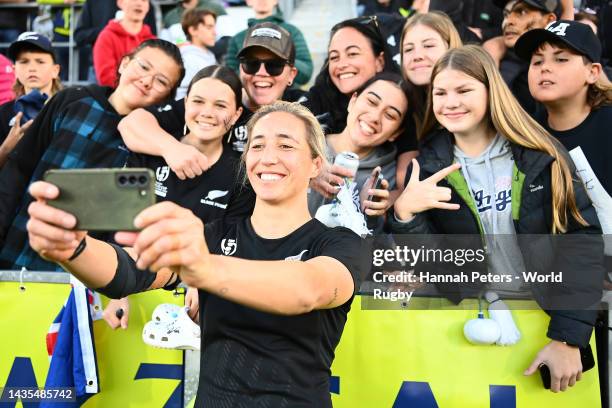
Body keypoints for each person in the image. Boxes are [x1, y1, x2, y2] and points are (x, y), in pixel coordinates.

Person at [26, 101, 367, 407]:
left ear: (315, 164)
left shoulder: (339, 244)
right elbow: (129, 271)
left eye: (285, 145)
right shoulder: (213, 236)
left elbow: (306, 290)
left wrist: (203, 268)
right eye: (257, 145)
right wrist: (73, 249)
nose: (268, 157)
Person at [391, 44, 603, 393]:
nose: (450, 102)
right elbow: (441, 273)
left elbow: (581, 244)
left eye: (463, 90)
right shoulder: (427, 168)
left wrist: (569, 339)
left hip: (546, 324)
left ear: (492, 91)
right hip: (469, 325)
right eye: (440, 92)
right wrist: (405, 215)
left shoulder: (540, 156)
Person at [0, 39, 185, 271]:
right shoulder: (72, 99)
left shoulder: (152, 144)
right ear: (124, 64)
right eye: (144, 67)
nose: (147, 81)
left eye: (161, 81)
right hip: (16, 253)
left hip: (82, 276)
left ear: (167, 96)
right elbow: (17, 172)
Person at [104, 65, 256, 329]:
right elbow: (120, 226)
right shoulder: (149, 153)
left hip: (198, 306)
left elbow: (232, 242)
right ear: (185, 104)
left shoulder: (240, 174)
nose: (207, 113)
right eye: (198, 101)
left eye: (221, 105)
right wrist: (119, 289)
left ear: (236, 114)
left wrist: (200, 279)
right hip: (136, 290)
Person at [118, 22, 299, 180]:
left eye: (274, 65)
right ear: (241, 69)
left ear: (291, 74)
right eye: (251, 63)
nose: (261, 72)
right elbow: (131, 123)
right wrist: (171, 148)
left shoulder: (301, 109)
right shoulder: (211, 102)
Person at [308, 72, 411, 231]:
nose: (375, 117)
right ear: (352, 101)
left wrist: (369, 216)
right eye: (371, 101)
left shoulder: (389, 178)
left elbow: (375, 245)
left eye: (390, 115)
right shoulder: (302, 142)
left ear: (396, 133)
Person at [397, 10, 462, 187]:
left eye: (428, 46)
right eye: (408, 49)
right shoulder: (408, 103)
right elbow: (404, 178)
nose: (417, 55)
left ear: (450, 47)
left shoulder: (476, 93)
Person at [484, 0, 558, 116]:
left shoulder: (566, 65)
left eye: (522, 12)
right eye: (506, 14)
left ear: (549, 20)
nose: (508, 21)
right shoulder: (495, 58)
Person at [0, 32, 61, 168]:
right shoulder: (3, 113)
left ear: (55, 70)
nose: (32, 68)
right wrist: (6, 148)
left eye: (40, 61)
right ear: (14, 70)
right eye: (24, 62)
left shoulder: (69, 108)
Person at [223, 0, 313, 87]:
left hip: (287, 97)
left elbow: (306, 72)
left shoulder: (292, 32)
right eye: (251, 62)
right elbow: (229, 76)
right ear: (248, 1)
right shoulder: (238, 38)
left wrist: (280, 60)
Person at [74, 0, 157, 82]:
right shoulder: (94, 2)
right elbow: (79, 36)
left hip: (141, 77)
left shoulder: (144, 4)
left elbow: (152, 38)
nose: (139, 3)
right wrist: (109, 31)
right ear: (120, 3)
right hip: (99, 68)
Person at [176, 8, 217, 100]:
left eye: (214, 27)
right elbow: (181, 94)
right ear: (193, 30)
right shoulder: (188, 59)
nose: (215, 33)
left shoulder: (208, 55)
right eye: (209, 27)